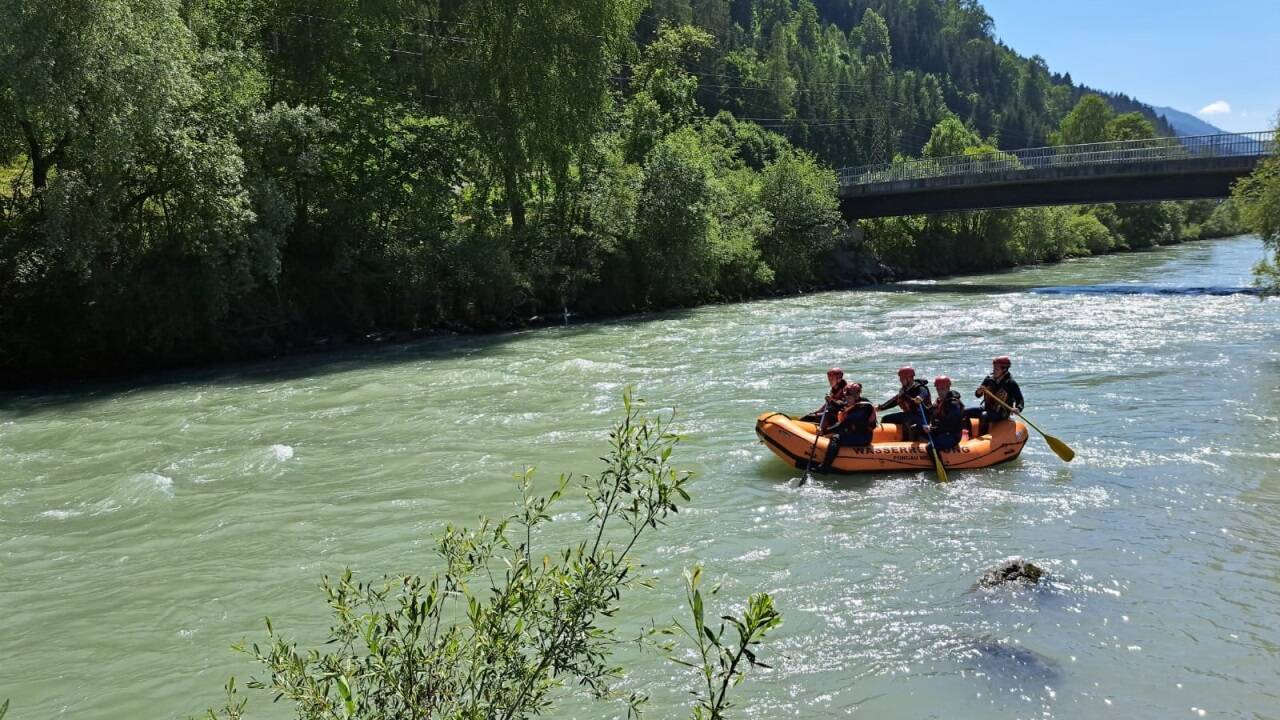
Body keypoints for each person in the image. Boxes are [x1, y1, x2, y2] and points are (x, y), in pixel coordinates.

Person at [818, 382, 877, 470]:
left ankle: (825, 467)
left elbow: (843, 425)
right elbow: (841, 405)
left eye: (848, 397)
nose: (846, 398)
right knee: (834, 433)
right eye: (845, 396)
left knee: (836, 438)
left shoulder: (863, 407)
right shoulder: (852, 401)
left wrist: (824, 431)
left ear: (856, 396)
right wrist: (831, 401)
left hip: (863, 437)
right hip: (854, 432)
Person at [963, 355, 1024, 436]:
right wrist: (979, 391)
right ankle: (968, 435)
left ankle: (982, 437)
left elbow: (1020, 400)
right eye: (994, 368)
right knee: (964, 412)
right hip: (987, 408)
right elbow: (977, 395)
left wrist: (1018, 408)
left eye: (996, 369)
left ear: (1004, 370)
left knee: (984, 416)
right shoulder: (989, 379)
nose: (994, 370)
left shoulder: (1010, 383)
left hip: (1001, 413)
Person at [877, 366, 932, 441]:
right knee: (885, 418)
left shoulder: (920, 388)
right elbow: (894, 401)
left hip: (922, 417)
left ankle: (909, 441)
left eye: (903, 378)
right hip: (909, 415)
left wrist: (919, 398)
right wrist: (880, 408)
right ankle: (886, 439)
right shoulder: (904, 390)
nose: (901, 381)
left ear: (910, 378)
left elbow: (923, 393)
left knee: (907, 420)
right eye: (900, 378)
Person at [928, 376, 966, 451]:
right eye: (938, 389)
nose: (940, 392)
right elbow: (930, 412)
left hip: (952, 435)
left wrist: (932, 428)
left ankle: (939, 459)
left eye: (942, 389)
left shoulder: (953, 404)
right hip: (942, 431)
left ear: (948, 388)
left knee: (930, 447)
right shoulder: (939, 400)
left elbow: (949, 425)